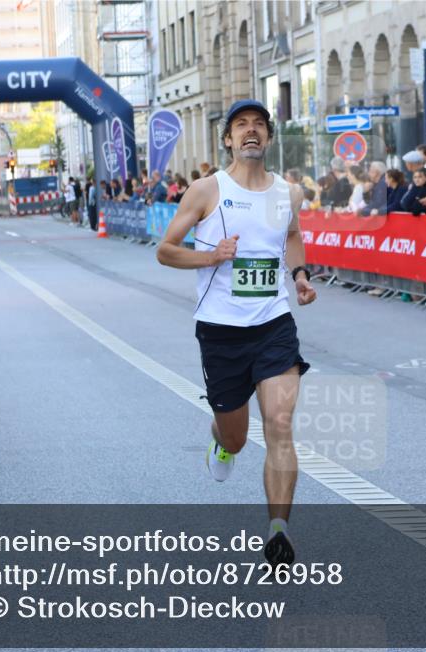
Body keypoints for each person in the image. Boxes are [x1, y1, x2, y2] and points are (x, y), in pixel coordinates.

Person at [155, 99, 316, 569]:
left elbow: (290, 236)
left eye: (259, 125)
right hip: (222, 332)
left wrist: (301, 274)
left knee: (281, 425)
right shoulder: (206, 190)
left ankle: (278, 532)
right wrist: (212, 257)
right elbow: (165, 251)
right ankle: (221, 442)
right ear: (227, 139)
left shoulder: (288, 193)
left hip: (273, 324)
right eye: (241, 125)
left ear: (268, 138)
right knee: (237, 438)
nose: (251, 131)